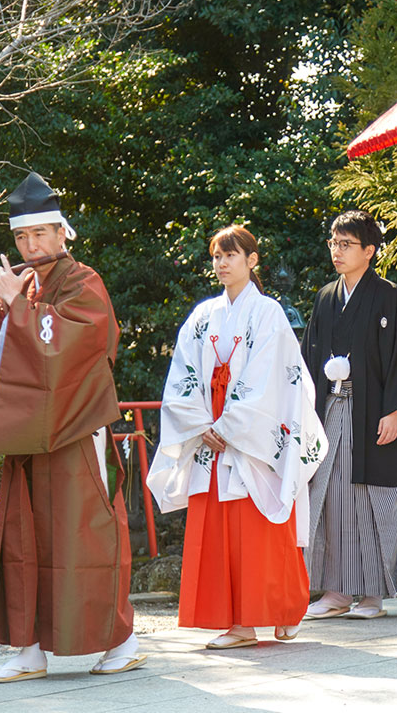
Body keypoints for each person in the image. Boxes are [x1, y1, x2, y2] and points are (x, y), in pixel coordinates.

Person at [0, 172, 144, 681]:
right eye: (21, 236)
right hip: (28, 432)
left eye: (40, 233)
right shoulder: (27, 284)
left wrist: (18, 304)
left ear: (63, 233)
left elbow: (78, 346)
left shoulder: (84, 282)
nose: (30, 244)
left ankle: (122, 641)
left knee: (84, 536)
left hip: (77, 429)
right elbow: (0, 361)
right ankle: (30, 648)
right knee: (22, 540)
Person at [147, 225, 327, 648]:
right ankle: (239, 623)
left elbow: (274, 377)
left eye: (231, 255)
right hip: (210, 433)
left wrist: (230, 425)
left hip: (251, 433)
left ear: (252, 260)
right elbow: (183, 375)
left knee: (261, 525)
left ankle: (278, 610)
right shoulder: (203, 315)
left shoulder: (268, 313)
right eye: (216, 256)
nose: (222, 264)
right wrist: (200, 425)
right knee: (224, 530)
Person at [302, 210, 397, 620]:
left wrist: (396, 411)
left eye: (346, 244)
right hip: (333, 407)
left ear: (369, 251)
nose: (337, 251)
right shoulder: (325, 297)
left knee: (372, 498)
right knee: (330, 495)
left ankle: (372, 594)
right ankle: (334, 590)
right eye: (334, 242)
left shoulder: (390, 296)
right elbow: (308, 359)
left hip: (373, 412)